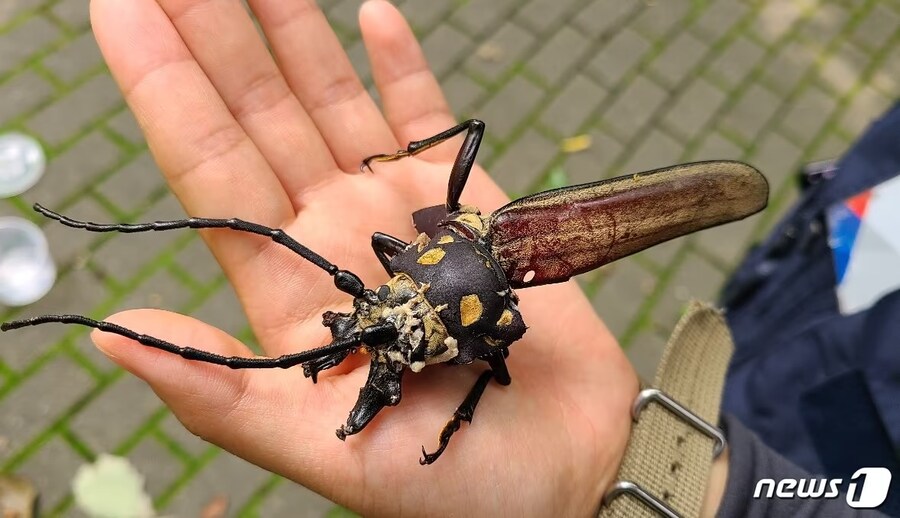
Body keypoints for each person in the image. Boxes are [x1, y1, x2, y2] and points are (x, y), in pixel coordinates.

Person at [85, 0, 884, 516]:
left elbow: (491, 346)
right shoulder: (455, 293)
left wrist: (620, 468)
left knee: (496, 288)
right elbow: (485, 344)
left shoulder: (471, 295)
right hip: (825, 287)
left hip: (780, 412)